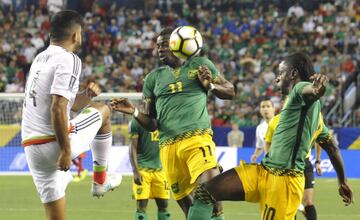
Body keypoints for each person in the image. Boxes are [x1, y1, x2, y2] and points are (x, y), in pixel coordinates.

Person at [187, 52, 353, 220]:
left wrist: (318, 89)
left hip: (284, 183)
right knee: (205, 192)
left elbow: (310, 91)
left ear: (293, 73)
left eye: (281, 72)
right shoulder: (314, 118)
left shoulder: (299, 89)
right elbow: (332, 148)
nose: (277, 78)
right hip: (263, 172)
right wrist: (342, 181)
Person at [111, 27, 235, 219]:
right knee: (188, 207)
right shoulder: (153, 79)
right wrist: (134, 111)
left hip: (196, 139)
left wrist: (210, 85)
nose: (159, 49)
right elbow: (152, 124)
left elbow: (230, 91)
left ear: (178, 44)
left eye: (165, 44)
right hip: (167, 148)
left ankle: (218, 214)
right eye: (157, 45)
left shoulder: (200, 65)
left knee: (210, 185)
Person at [21, 10, 121, 220]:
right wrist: (66, 150)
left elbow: (66, 105)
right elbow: (57, 108)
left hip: (31, 148)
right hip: (54, 143)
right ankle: (100, 180)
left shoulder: (40, 58)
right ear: (76, 35)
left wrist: (86, 95)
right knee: (104, 110)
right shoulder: (69, 59)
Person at [265, 113, 325, 220]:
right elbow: (268, 142)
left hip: (304, 163)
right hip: (285, 166)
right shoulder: (275, 121)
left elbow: (320, 139)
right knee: (289, 203)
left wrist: (318, 161)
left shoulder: (312, 117)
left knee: (308, 201)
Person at [129, 117, 171, 220]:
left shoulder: (165, 119)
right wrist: (136, 171)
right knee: (141, 208)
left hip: (161, 170)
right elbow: (132, 147)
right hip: (142, 170)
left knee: (164, 206)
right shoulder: (136, 121)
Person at [250, 98, 275, 162]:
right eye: (263, 107)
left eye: (268, 106)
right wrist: (255, 155)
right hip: (269, 162)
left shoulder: (281, 123)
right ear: (260, 110)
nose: (265, 109)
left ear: (273, 109)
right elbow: (260, 146)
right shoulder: (259, 128)